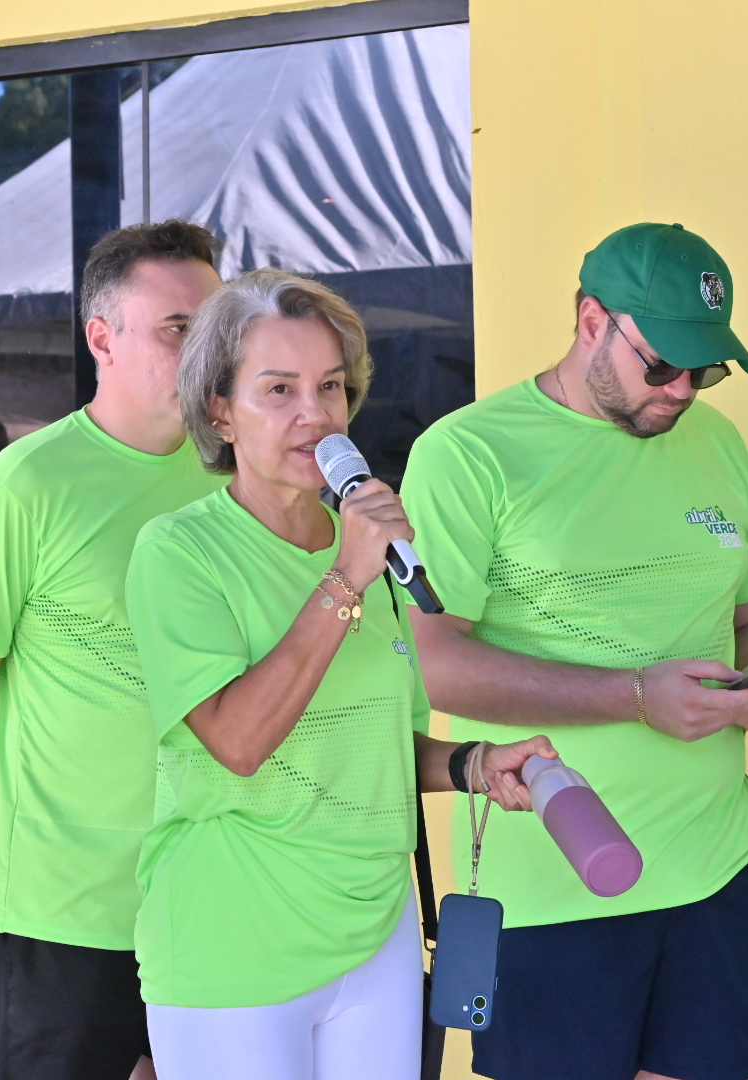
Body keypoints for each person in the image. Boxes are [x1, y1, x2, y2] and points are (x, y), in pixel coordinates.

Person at [124, 267, 557, 1080]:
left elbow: (376, 743)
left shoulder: (368, 551)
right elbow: (238, 743)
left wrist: (472, 763)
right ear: (220, 411)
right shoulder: (180, 552)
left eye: (329, 386)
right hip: (235, 943)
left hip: (375, 933)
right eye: (278, 389)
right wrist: (345, 578)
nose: (315, 414)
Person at [403, 222, 748, 1080]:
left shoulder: (717, 443)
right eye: (661, 366)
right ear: (592, 321)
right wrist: (636, 696)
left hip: (721, 868)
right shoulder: (468, 456)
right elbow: (436, 664)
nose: (683, 391)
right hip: (556, 884)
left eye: (706, 370)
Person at [0, 221, 226, 1080]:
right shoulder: (22, 489)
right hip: (70, 916)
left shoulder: (239, 481)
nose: (205, 352)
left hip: (218, 902)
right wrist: (30, 809)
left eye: (214, 327)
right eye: (177, 329)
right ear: (102, 338)